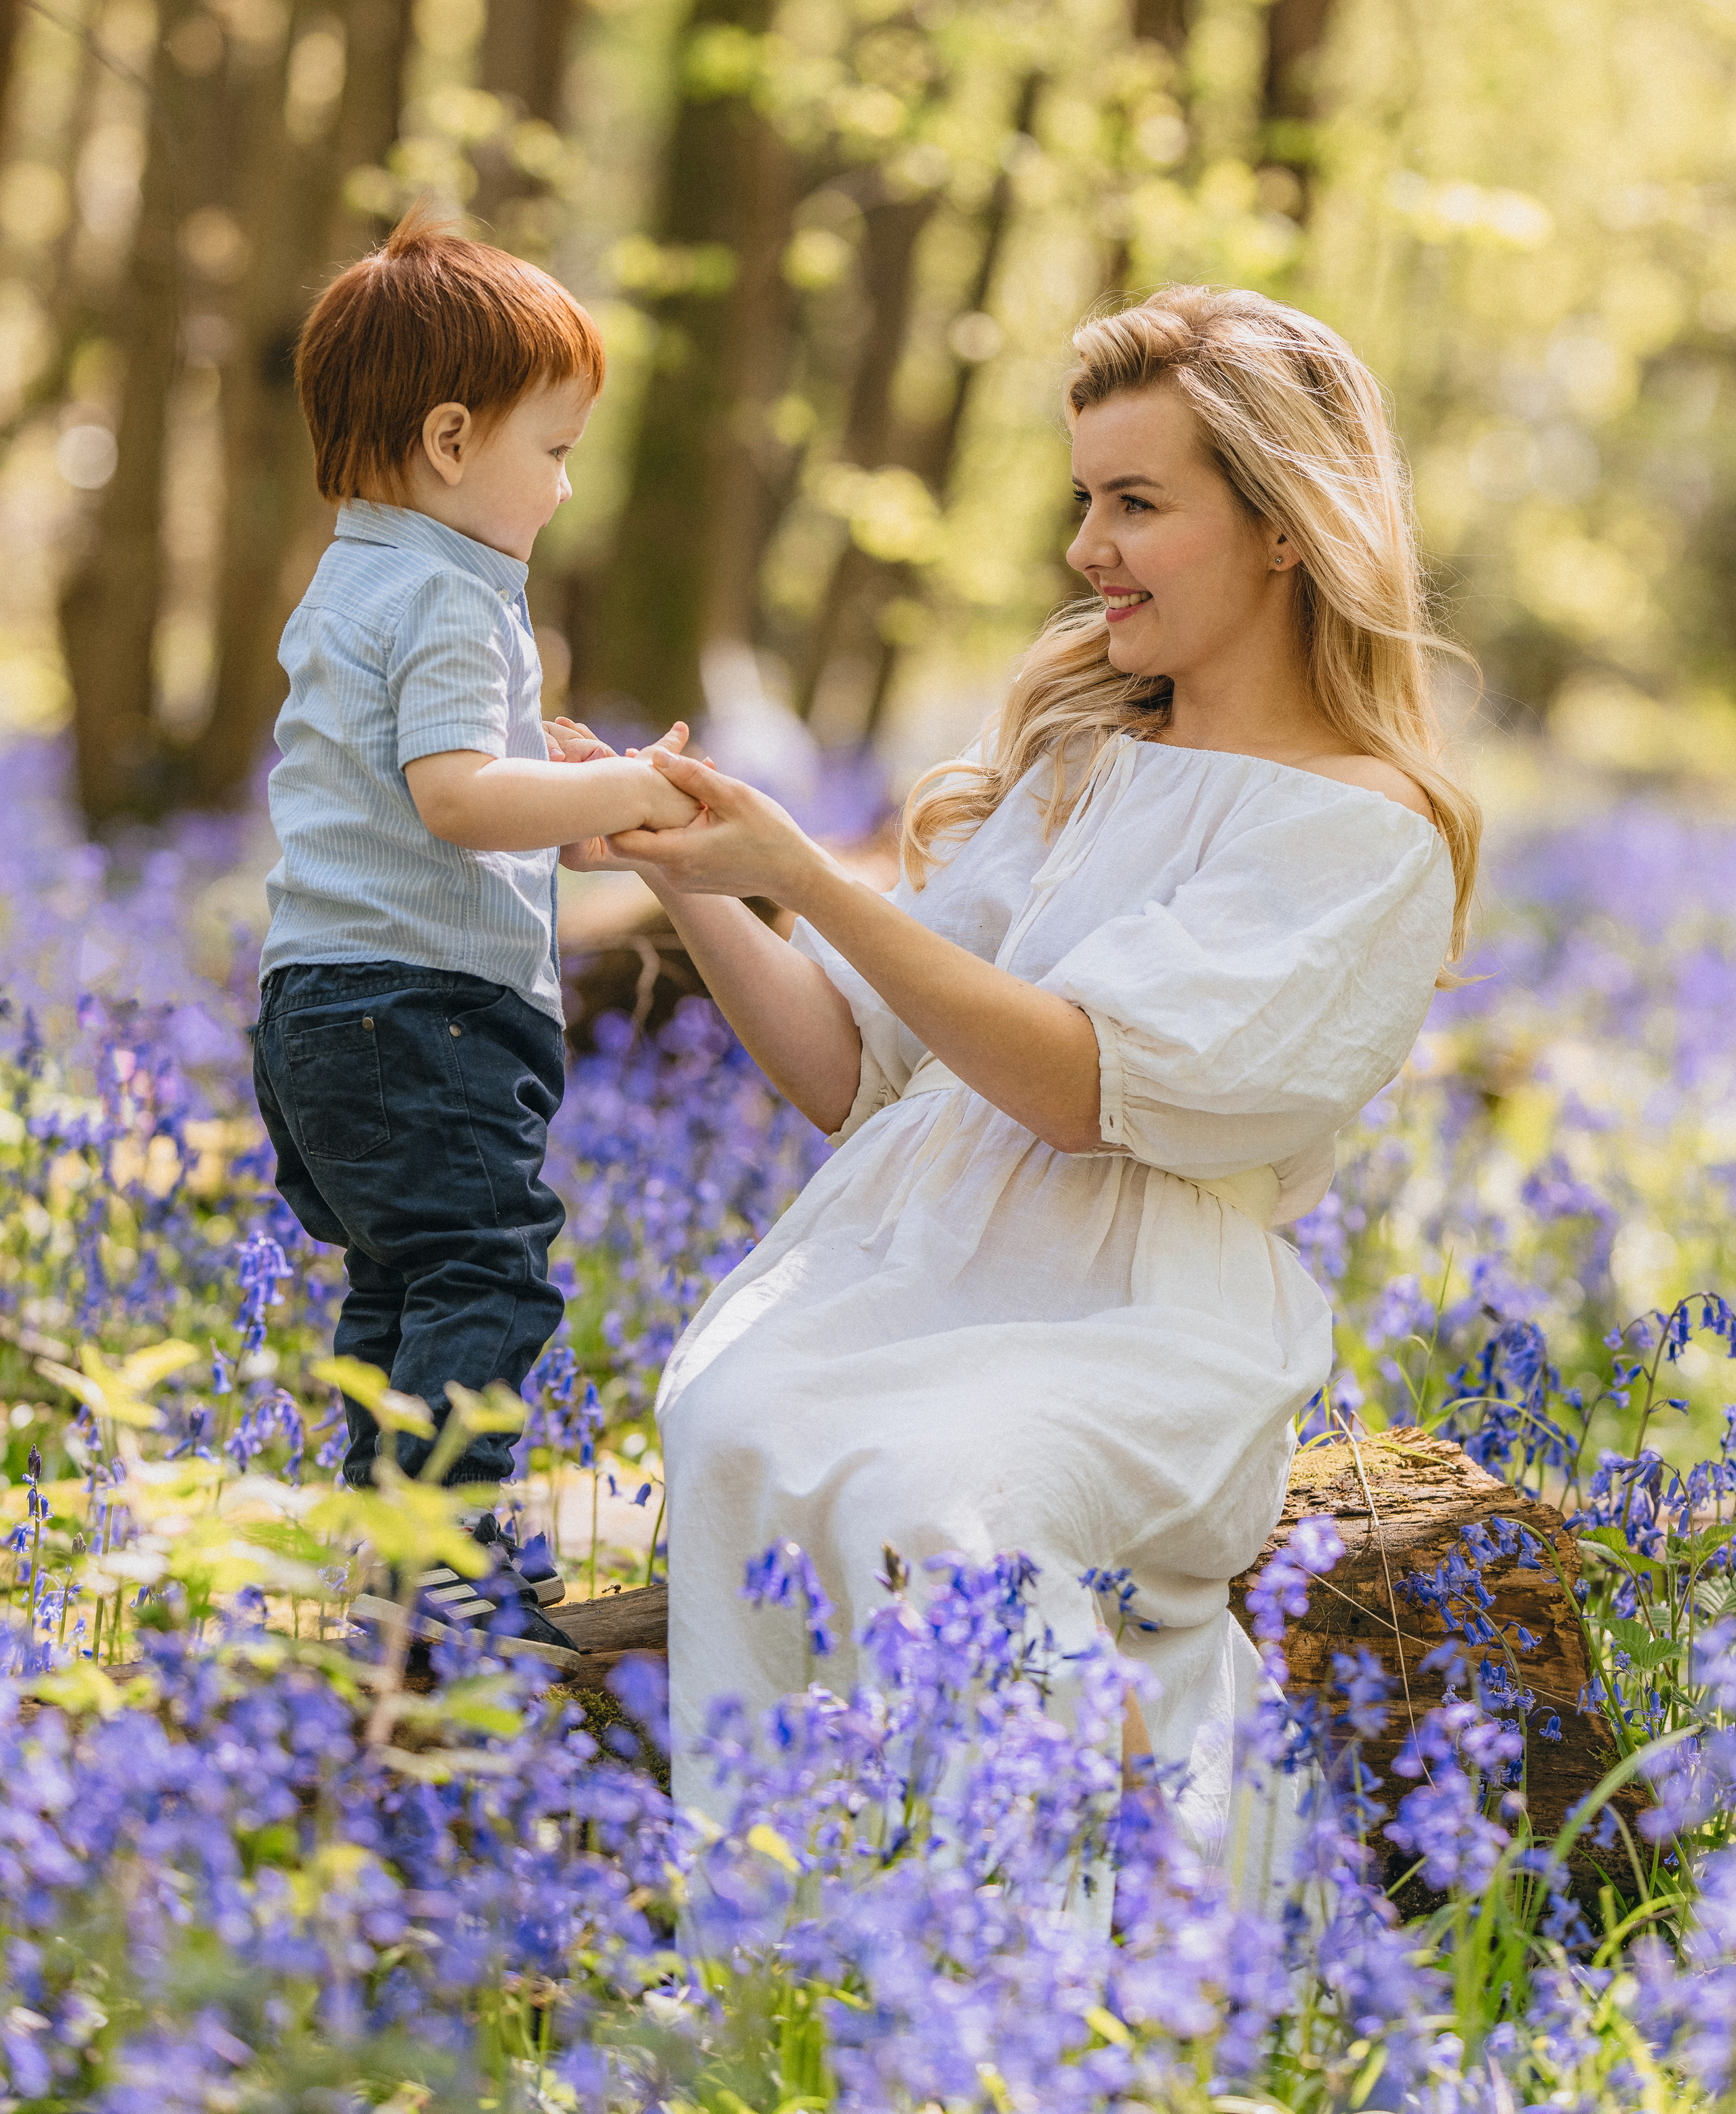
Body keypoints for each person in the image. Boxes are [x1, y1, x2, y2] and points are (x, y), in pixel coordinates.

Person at [579, 283, 1480, 1855]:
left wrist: (812, 868)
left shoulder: (1363, 834)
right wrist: (690, 872)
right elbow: (851, 1070)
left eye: (1136, 504)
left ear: (1284, 528)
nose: (1085, 549)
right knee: (726, 1414)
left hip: (1135, 1320)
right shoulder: (1075, 770)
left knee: (937, 1499)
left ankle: (1111, 1963)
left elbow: (1081, 1084)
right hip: (909, 1270)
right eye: (1084, 501)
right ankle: (810, 1948)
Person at [251, 205, 698, 1647]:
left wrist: (552, 780)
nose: (563, 491)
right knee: (481, 1274)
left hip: (318, 1008)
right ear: (453, 441)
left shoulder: (351, 580)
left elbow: (416, 789)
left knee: (396, 1285)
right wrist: (625, 786)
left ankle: (381, 1556)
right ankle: (442, 1566)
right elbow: (452, 801)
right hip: (424, 1012)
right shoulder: (450, 598)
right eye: (552, 452)